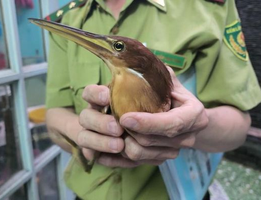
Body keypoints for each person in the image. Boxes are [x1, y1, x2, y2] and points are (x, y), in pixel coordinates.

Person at [45, 0, 261, 199]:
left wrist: (191, 127)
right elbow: (55, 113)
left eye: (117, 47)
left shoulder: (205, 7)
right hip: (86, 192)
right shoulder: (69, 17)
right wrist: (88, 137)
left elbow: (240, 127)